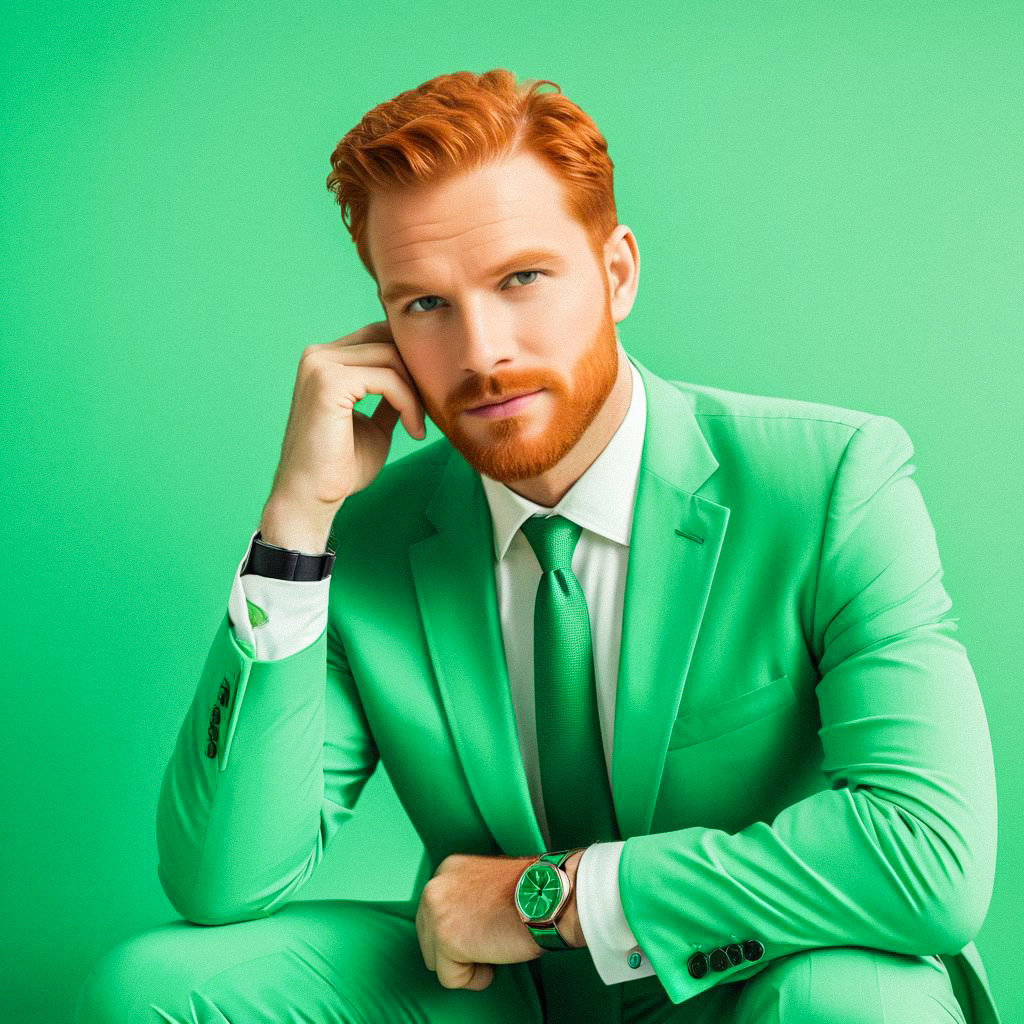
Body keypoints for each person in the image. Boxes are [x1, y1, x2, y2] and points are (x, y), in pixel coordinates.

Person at [73, 68, 1001, 1024]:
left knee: (854, 1003)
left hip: (751, 979)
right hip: (494, 1000)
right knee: (149, 991)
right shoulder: (373, 538)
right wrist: (295, 529)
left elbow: (927, 856)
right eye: (424, 305)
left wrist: (556, 899)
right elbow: (223, 883)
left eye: (520, 279)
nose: (481, 353)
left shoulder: (832, 483)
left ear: (617, 272)